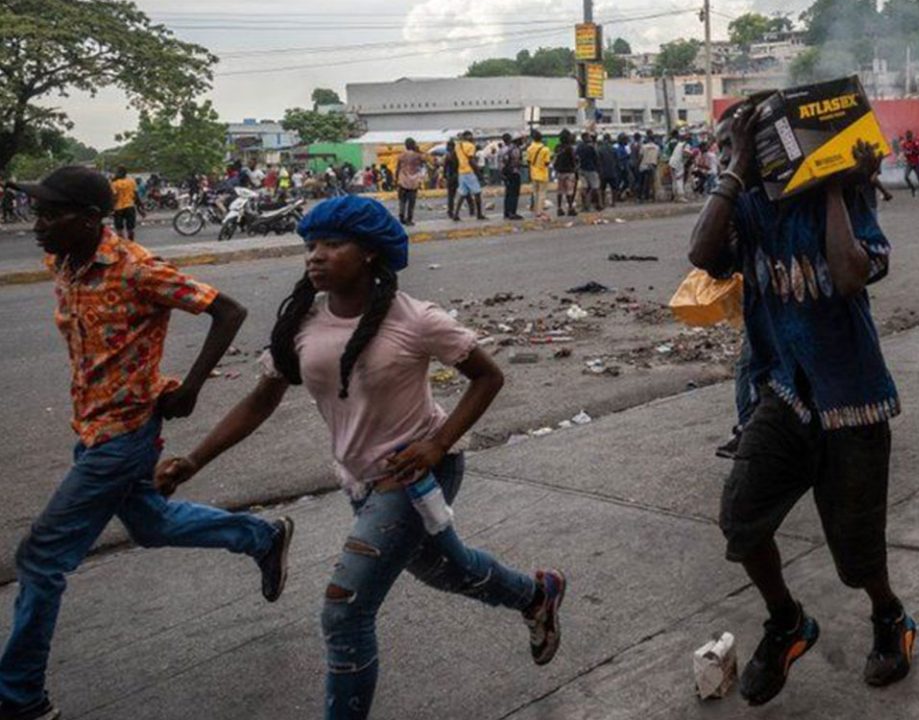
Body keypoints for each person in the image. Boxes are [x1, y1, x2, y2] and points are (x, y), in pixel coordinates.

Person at [155, 196, 566, 720]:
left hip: (417, 472)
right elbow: (261, 399)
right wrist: (193, 461)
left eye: (332, 244)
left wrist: (438, 444)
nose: (315, 256)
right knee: (446, 569)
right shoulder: (303, 324)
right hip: (360, 479)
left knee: (344, 612)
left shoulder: (416, 319)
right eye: (310, 245)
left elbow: (489, 377)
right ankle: (536, 594)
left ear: (371, 253)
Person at [0, 167, 292, 720]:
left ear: (89, 219)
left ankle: (20, 699)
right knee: (152, 525)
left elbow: (228, 310)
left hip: (122, 435)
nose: (37, 224)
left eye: (49, 213)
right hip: (91, 429)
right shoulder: (64, 261)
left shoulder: (138, 269)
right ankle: (261, 536)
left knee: (40, 560)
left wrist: (193, 387)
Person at [688, 106, 915, 707]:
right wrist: (734, 170)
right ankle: (787, 621)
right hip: (783, 395)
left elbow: (847, 277)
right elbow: (701, 252)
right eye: (748, 146)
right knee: (740, 518)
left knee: (856, 547)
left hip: (854, 401)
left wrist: (834, 184)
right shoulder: (750, 209)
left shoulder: (850, 201)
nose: (762, 156)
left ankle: (889, 617)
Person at [454, 132, 487, 221]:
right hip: (469, 172)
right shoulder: (470, 146)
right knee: (477, 193)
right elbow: (471, 161)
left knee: (462, 194)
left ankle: (456, 214)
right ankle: (479, 214)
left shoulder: (458, 146)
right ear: (469, 137)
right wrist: (479, 174)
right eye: (472, 136)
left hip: (461, 172)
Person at [395, 139, 425, 226]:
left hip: (403, 181)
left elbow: (397, 169)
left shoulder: (401, 155)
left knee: (402, 200)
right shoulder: (417, 156)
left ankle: (401, 216)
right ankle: (409, 219)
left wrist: (396, 179)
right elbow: (424, 161)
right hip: (413, 182)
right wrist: (418, 150)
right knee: (411, 202)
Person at [108, 166, 138, 242]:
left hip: (118, 209)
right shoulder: (132, 181)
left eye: (116, 172)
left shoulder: (114, 183)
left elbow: (114, 197)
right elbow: (136, 195)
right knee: (130, 229)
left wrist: (110, 209)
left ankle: (122, 246)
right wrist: (140, 208)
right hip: (130, 207)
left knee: (119, 229)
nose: (115, 174)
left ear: (120, 173)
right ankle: (131, 244)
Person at [526, 132, 551, 218]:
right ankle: (540, 211)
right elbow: (547, 163)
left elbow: (528, 161)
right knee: (542, 193)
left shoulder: (529, 148)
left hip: (533, 173)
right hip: (543, 173)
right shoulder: (545, 149)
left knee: (535, 193)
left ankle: (536, 209)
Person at [554, 130, 578, 216]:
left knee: (560, 191)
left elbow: (555, 159)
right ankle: (570, 208)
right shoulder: (569, 148)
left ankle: (559, 208)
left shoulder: (557, 147)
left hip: (560, 171)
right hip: (569, 171)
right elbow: (573, 160)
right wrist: (575, 167)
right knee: (569, 191)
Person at [500, 133, 524, 220]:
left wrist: (502, 173)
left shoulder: (504, 149)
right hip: (514, 173)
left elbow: (501, 162)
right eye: (521, 140)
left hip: (506, 173)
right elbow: (517, 162)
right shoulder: (516, 149)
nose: (522, 141)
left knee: (508, 193)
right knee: (514, 194)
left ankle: (506, 213)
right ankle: (512, 213)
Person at [899, 131, 919, 201]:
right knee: (906, 177)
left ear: (911, 136)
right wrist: (905, 154)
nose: (908, 138)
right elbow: (904, 152)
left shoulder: (915, 143)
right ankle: (913, 188)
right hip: (909, 163)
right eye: (907, 137)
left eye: (909, 137)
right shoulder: (904, 144)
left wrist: (914, 151)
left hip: (916, 163)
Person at [638, 134, 661, 202]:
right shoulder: (657, 147)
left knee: (642, 182)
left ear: (647, 139)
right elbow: (658, 157)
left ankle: (641, 197)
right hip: (652, 165)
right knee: (652, 182)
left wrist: (638, 164)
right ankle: (653, 197)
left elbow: (640, 156)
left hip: (644, 165)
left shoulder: (643, 147)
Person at [442, 145, 460, 223]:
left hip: (450, 177)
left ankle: (450, 211)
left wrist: (444, 176)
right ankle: (472, 209)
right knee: (465, 193)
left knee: (450, 196)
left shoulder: (447, 157)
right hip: (458, 175)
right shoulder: (457, 155)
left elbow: (445, 168)